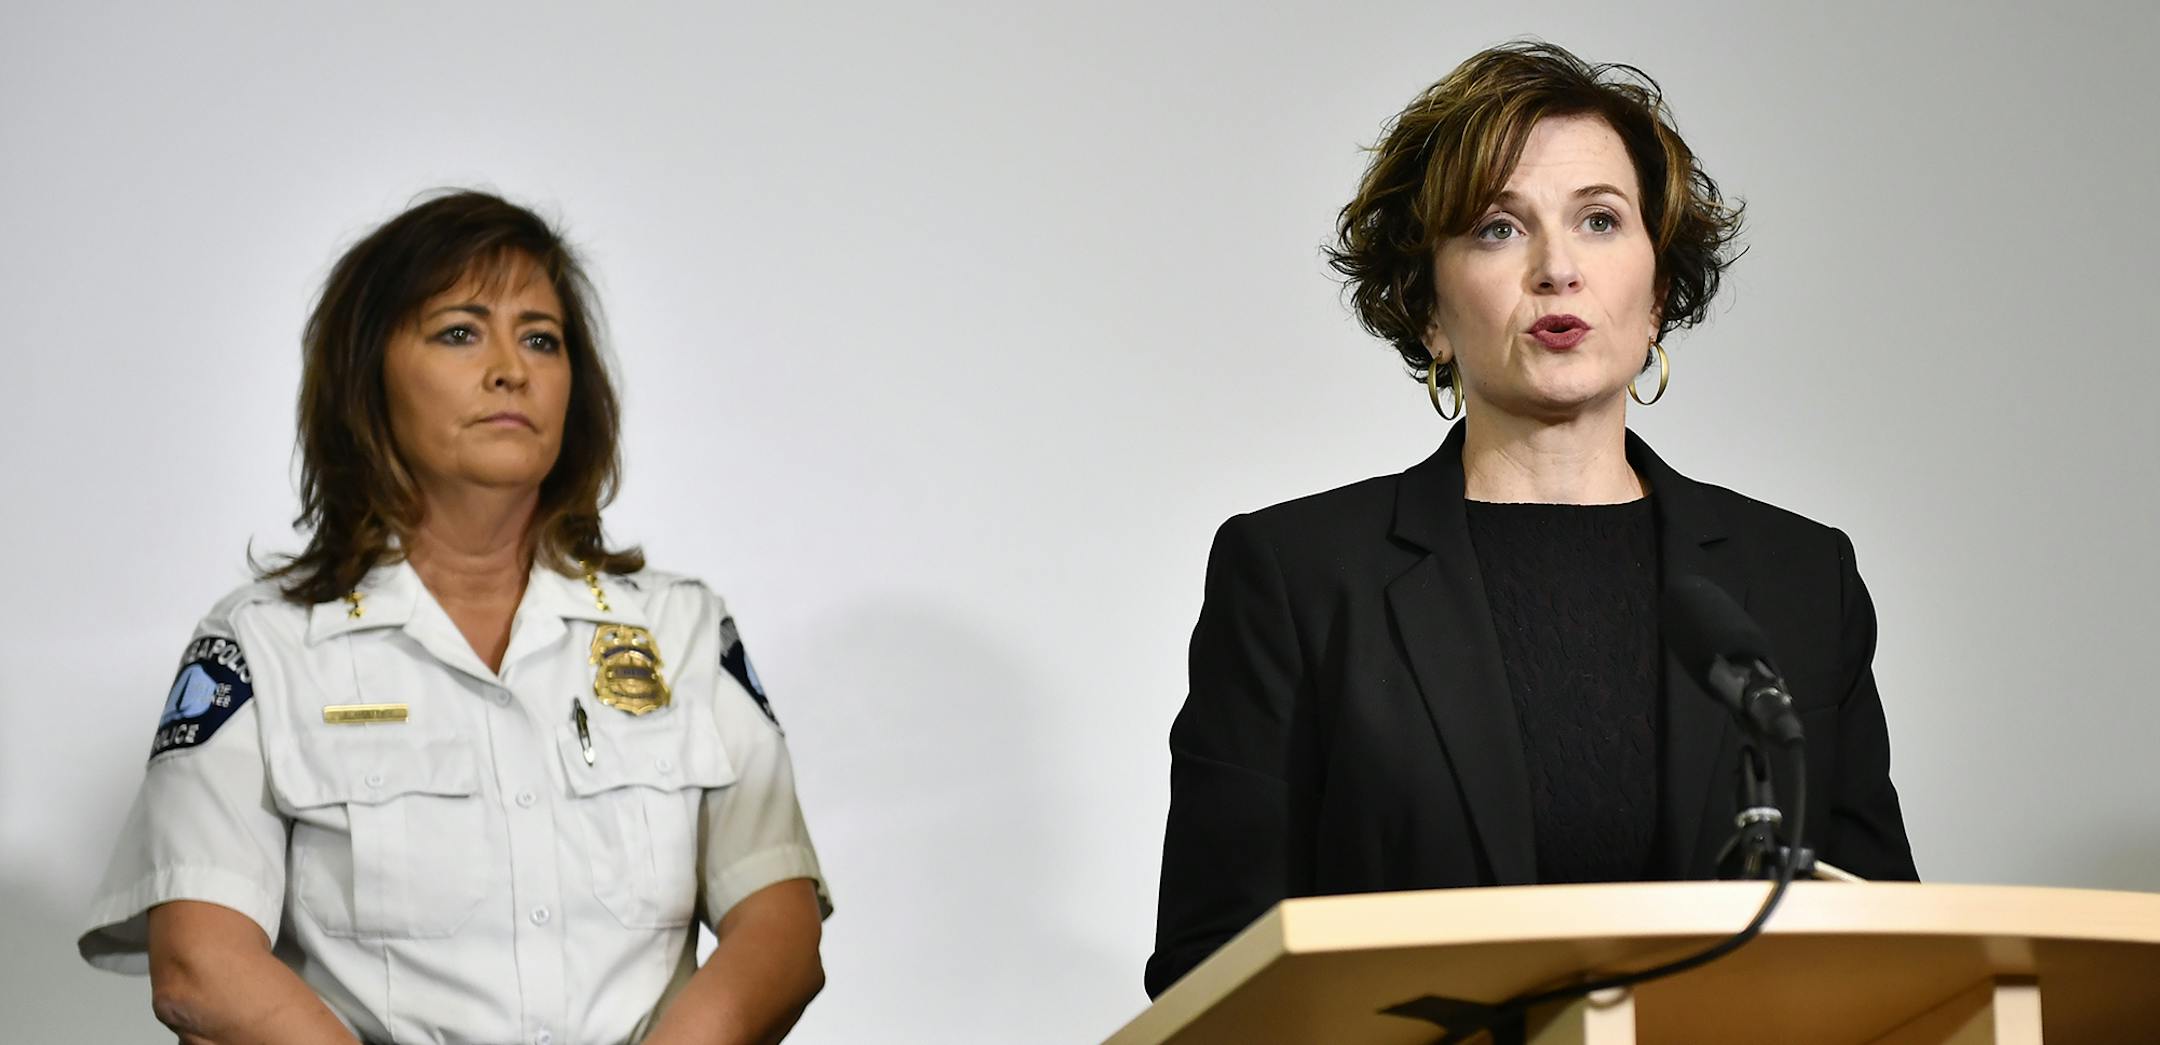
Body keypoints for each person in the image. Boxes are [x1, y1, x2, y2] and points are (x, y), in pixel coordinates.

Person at [1146, 42, 1917, 997]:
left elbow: (1892, 951)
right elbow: (1212, 970)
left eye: (1600, 219)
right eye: (1497, 229)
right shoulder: (1298, 578)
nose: (1558, 268)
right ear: (1428, 308)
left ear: (1660, 290)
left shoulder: (1799, 579)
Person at [78, 191, 831, 1044]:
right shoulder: (263, 644)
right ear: (368, 377)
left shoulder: (682, 631)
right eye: (460, 332)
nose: (511, 367)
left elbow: (782, 931)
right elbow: (199, 965)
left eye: (541, 338)